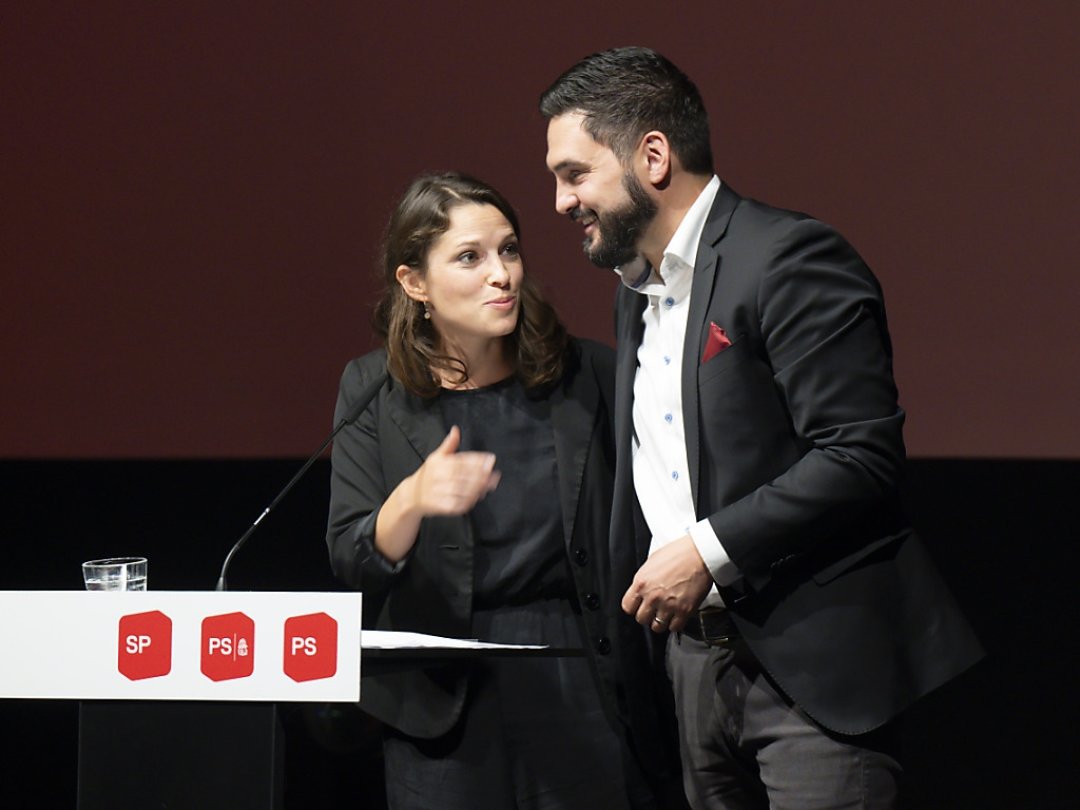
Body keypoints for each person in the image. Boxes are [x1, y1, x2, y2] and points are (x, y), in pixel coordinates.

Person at [540, 47, 984, 809]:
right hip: (692, 674)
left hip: (809, 672)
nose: (559, 201)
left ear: (652, 156)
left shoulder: (786, 258)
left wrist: (706, 554)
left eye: (574, 172)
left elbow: (859, 454)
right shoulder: (635, 294)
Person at [326, 172, 657, 810]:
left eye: (508, 250)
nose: (501, 274)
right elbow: (351, 556)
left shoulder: (587, 374)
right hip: (443, 696)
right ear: (414, 283)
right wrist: (412, 500)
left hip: (577, 674)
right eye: (470, 258)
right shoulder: (372, 388)